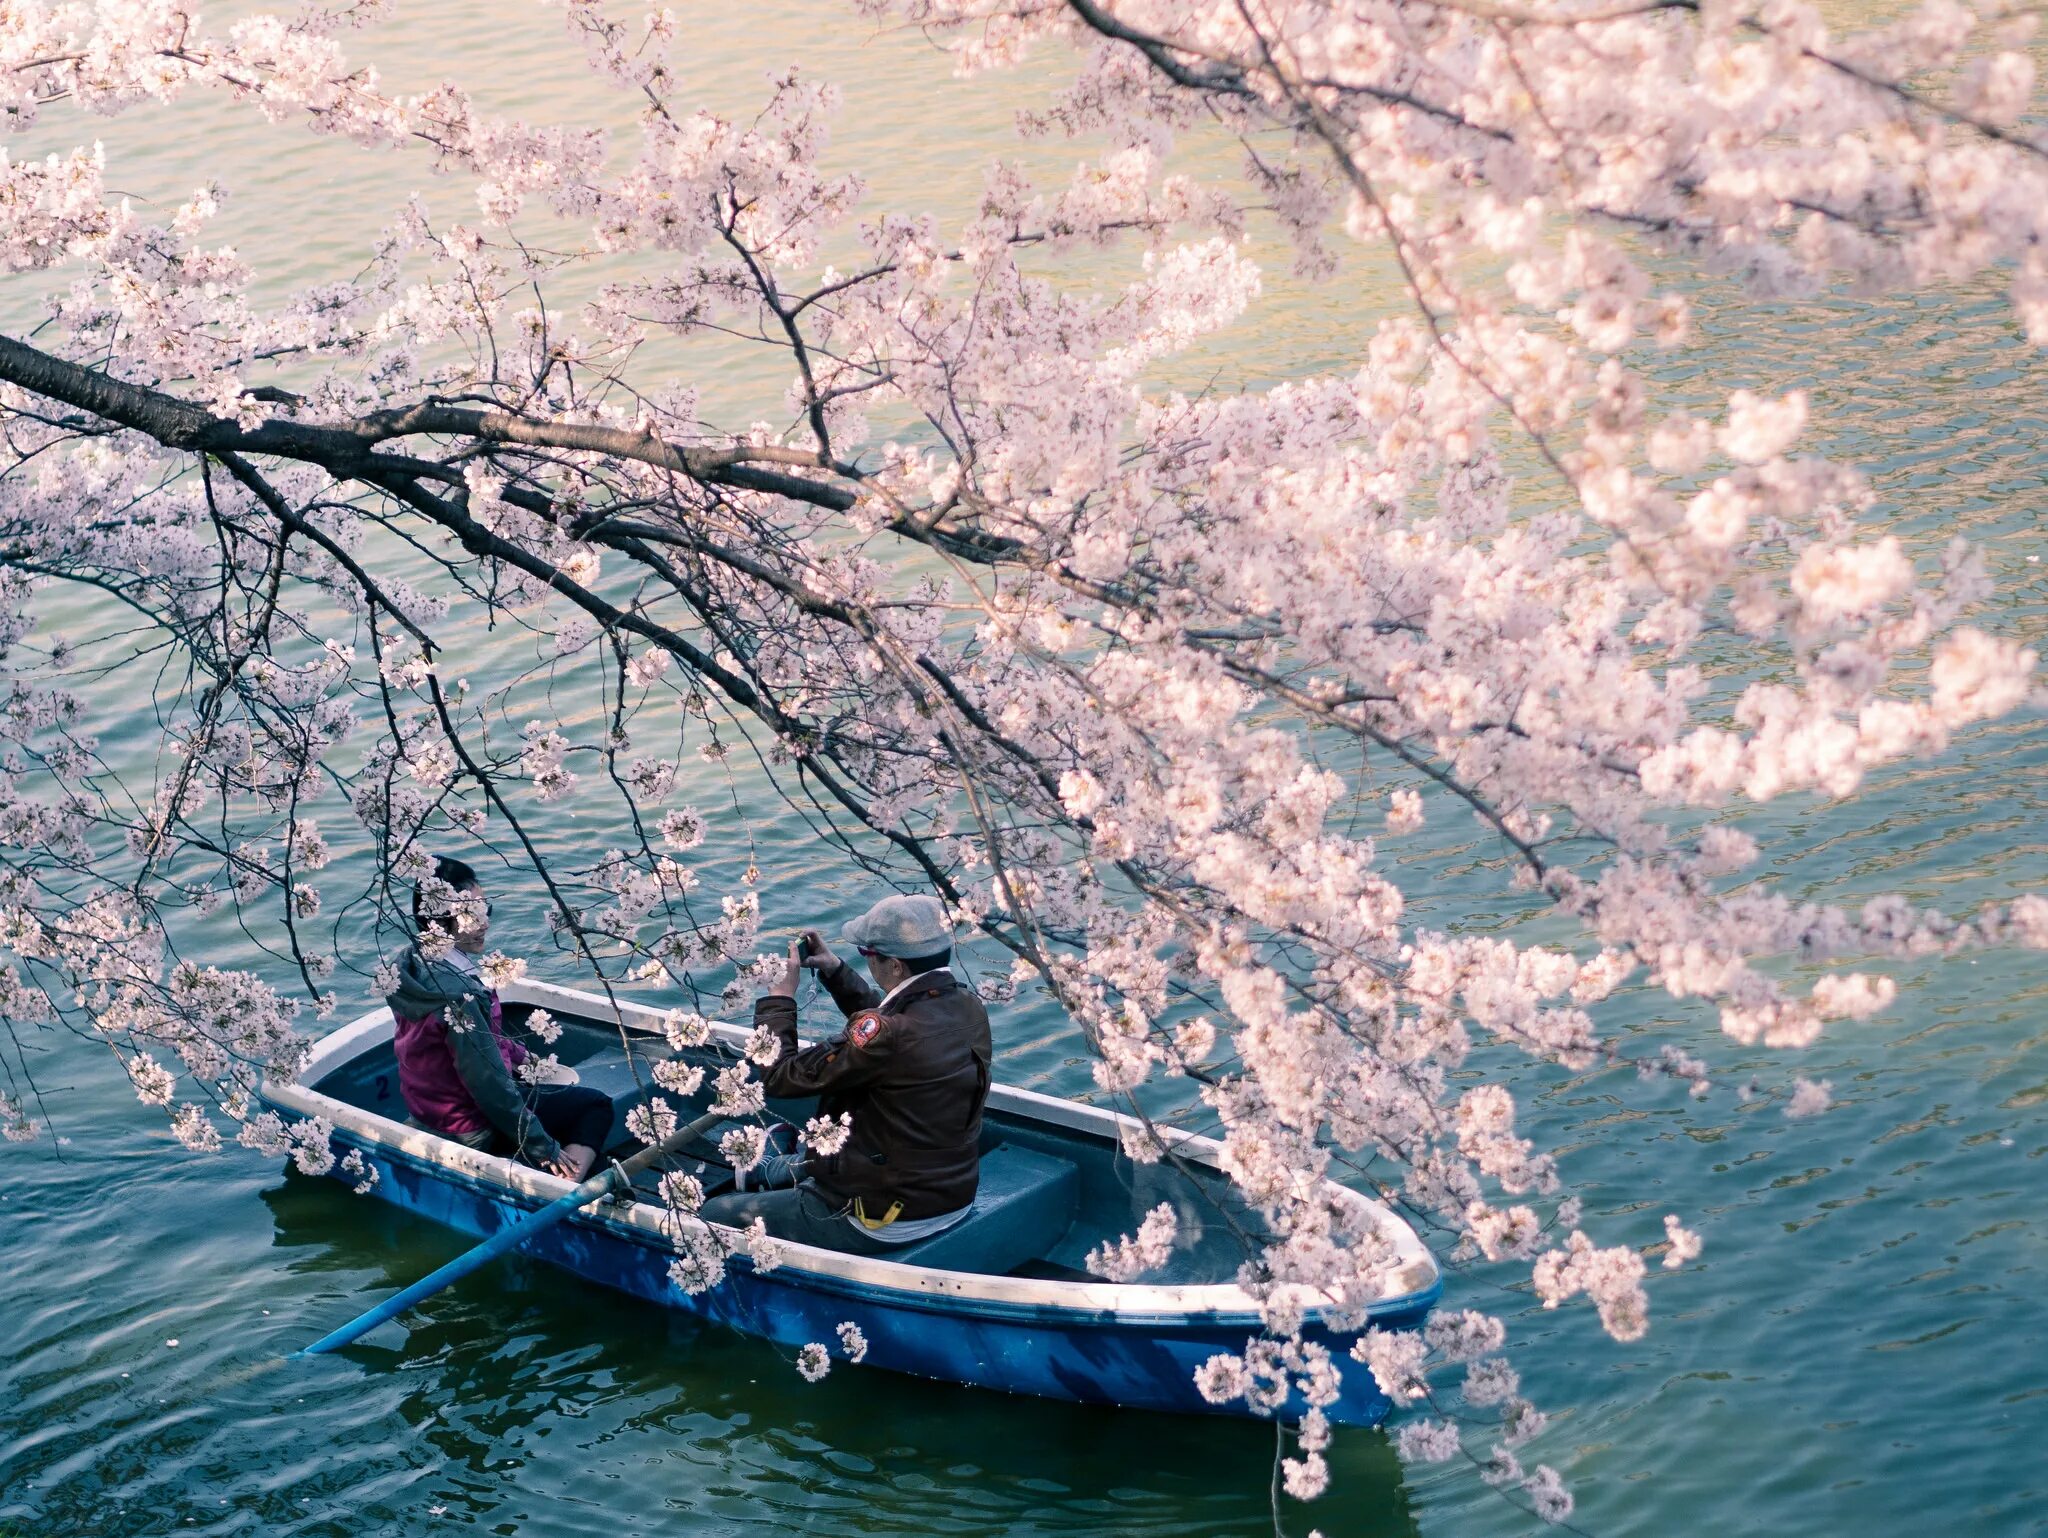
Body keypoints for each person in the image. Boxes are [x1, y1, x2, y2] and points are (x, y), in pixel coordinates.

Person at [700, 893, 993, 1254]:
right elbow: (895, 1024)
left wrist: (780, 999)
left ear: (897, 965)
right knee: (809, 1155)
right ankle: (775, 1170)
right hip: (949, 1197)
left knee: (713, 1214)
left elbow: (780, 1077)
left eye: (868, 953)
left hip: (882, 1218)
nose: (866, 959)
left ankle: (776, 1178)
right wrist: (835, 970)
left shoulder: (889, 1034)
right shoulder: (966, 1005)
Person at [385, 856, 612, 1181]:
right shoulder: (459, 992)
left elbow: (474, 1045)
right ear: (441, 917)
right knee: (595, 1108)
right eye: (471, 914)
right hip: (471, 1126)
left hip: (429, 1109)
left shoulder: (411, 964)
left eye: (483, 910)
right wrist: (542, 1147)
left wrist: (524, 1058)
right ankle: (563, 1186)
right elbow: (488, 1086)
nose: (485, 923)